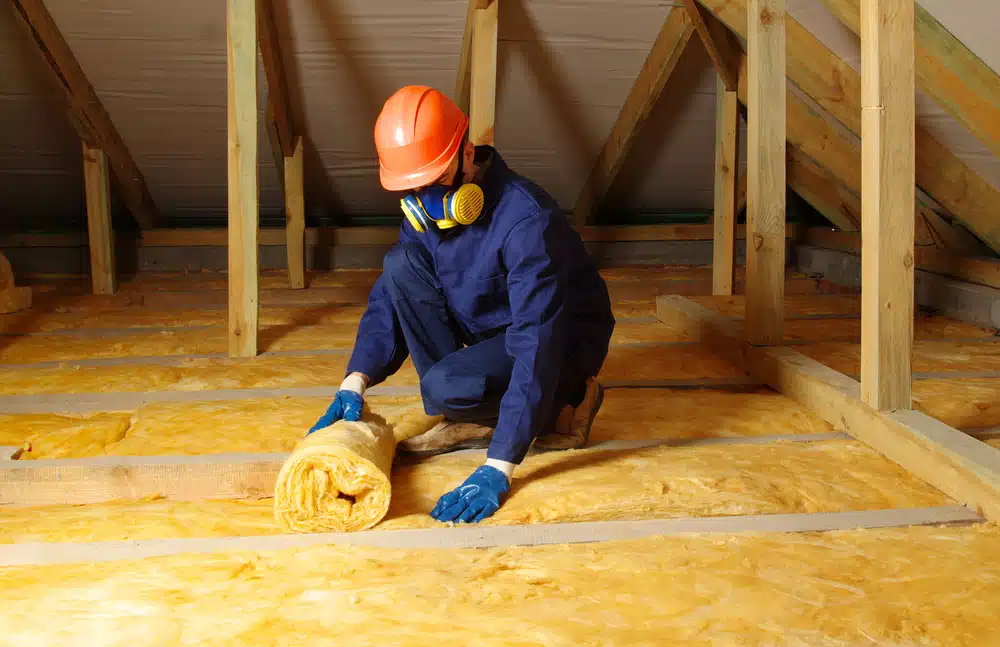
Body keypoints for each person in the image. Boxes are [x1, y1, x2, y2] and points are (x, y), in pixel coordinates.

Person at [308, 85, 616, 523]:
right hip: (490, 320)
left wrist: (499, 465)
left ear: (467, 154)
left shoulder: (526, 220)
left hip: (559, 335)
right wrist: (354, 381)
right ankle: (471, 406)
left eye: (432, 182)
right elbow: (391, 297)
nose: (421, 199)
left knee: (443, 387)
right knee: (400, 264)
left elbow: (537, 338)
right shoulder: (425, 211)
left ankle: (565, 403)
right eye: (410, 188)